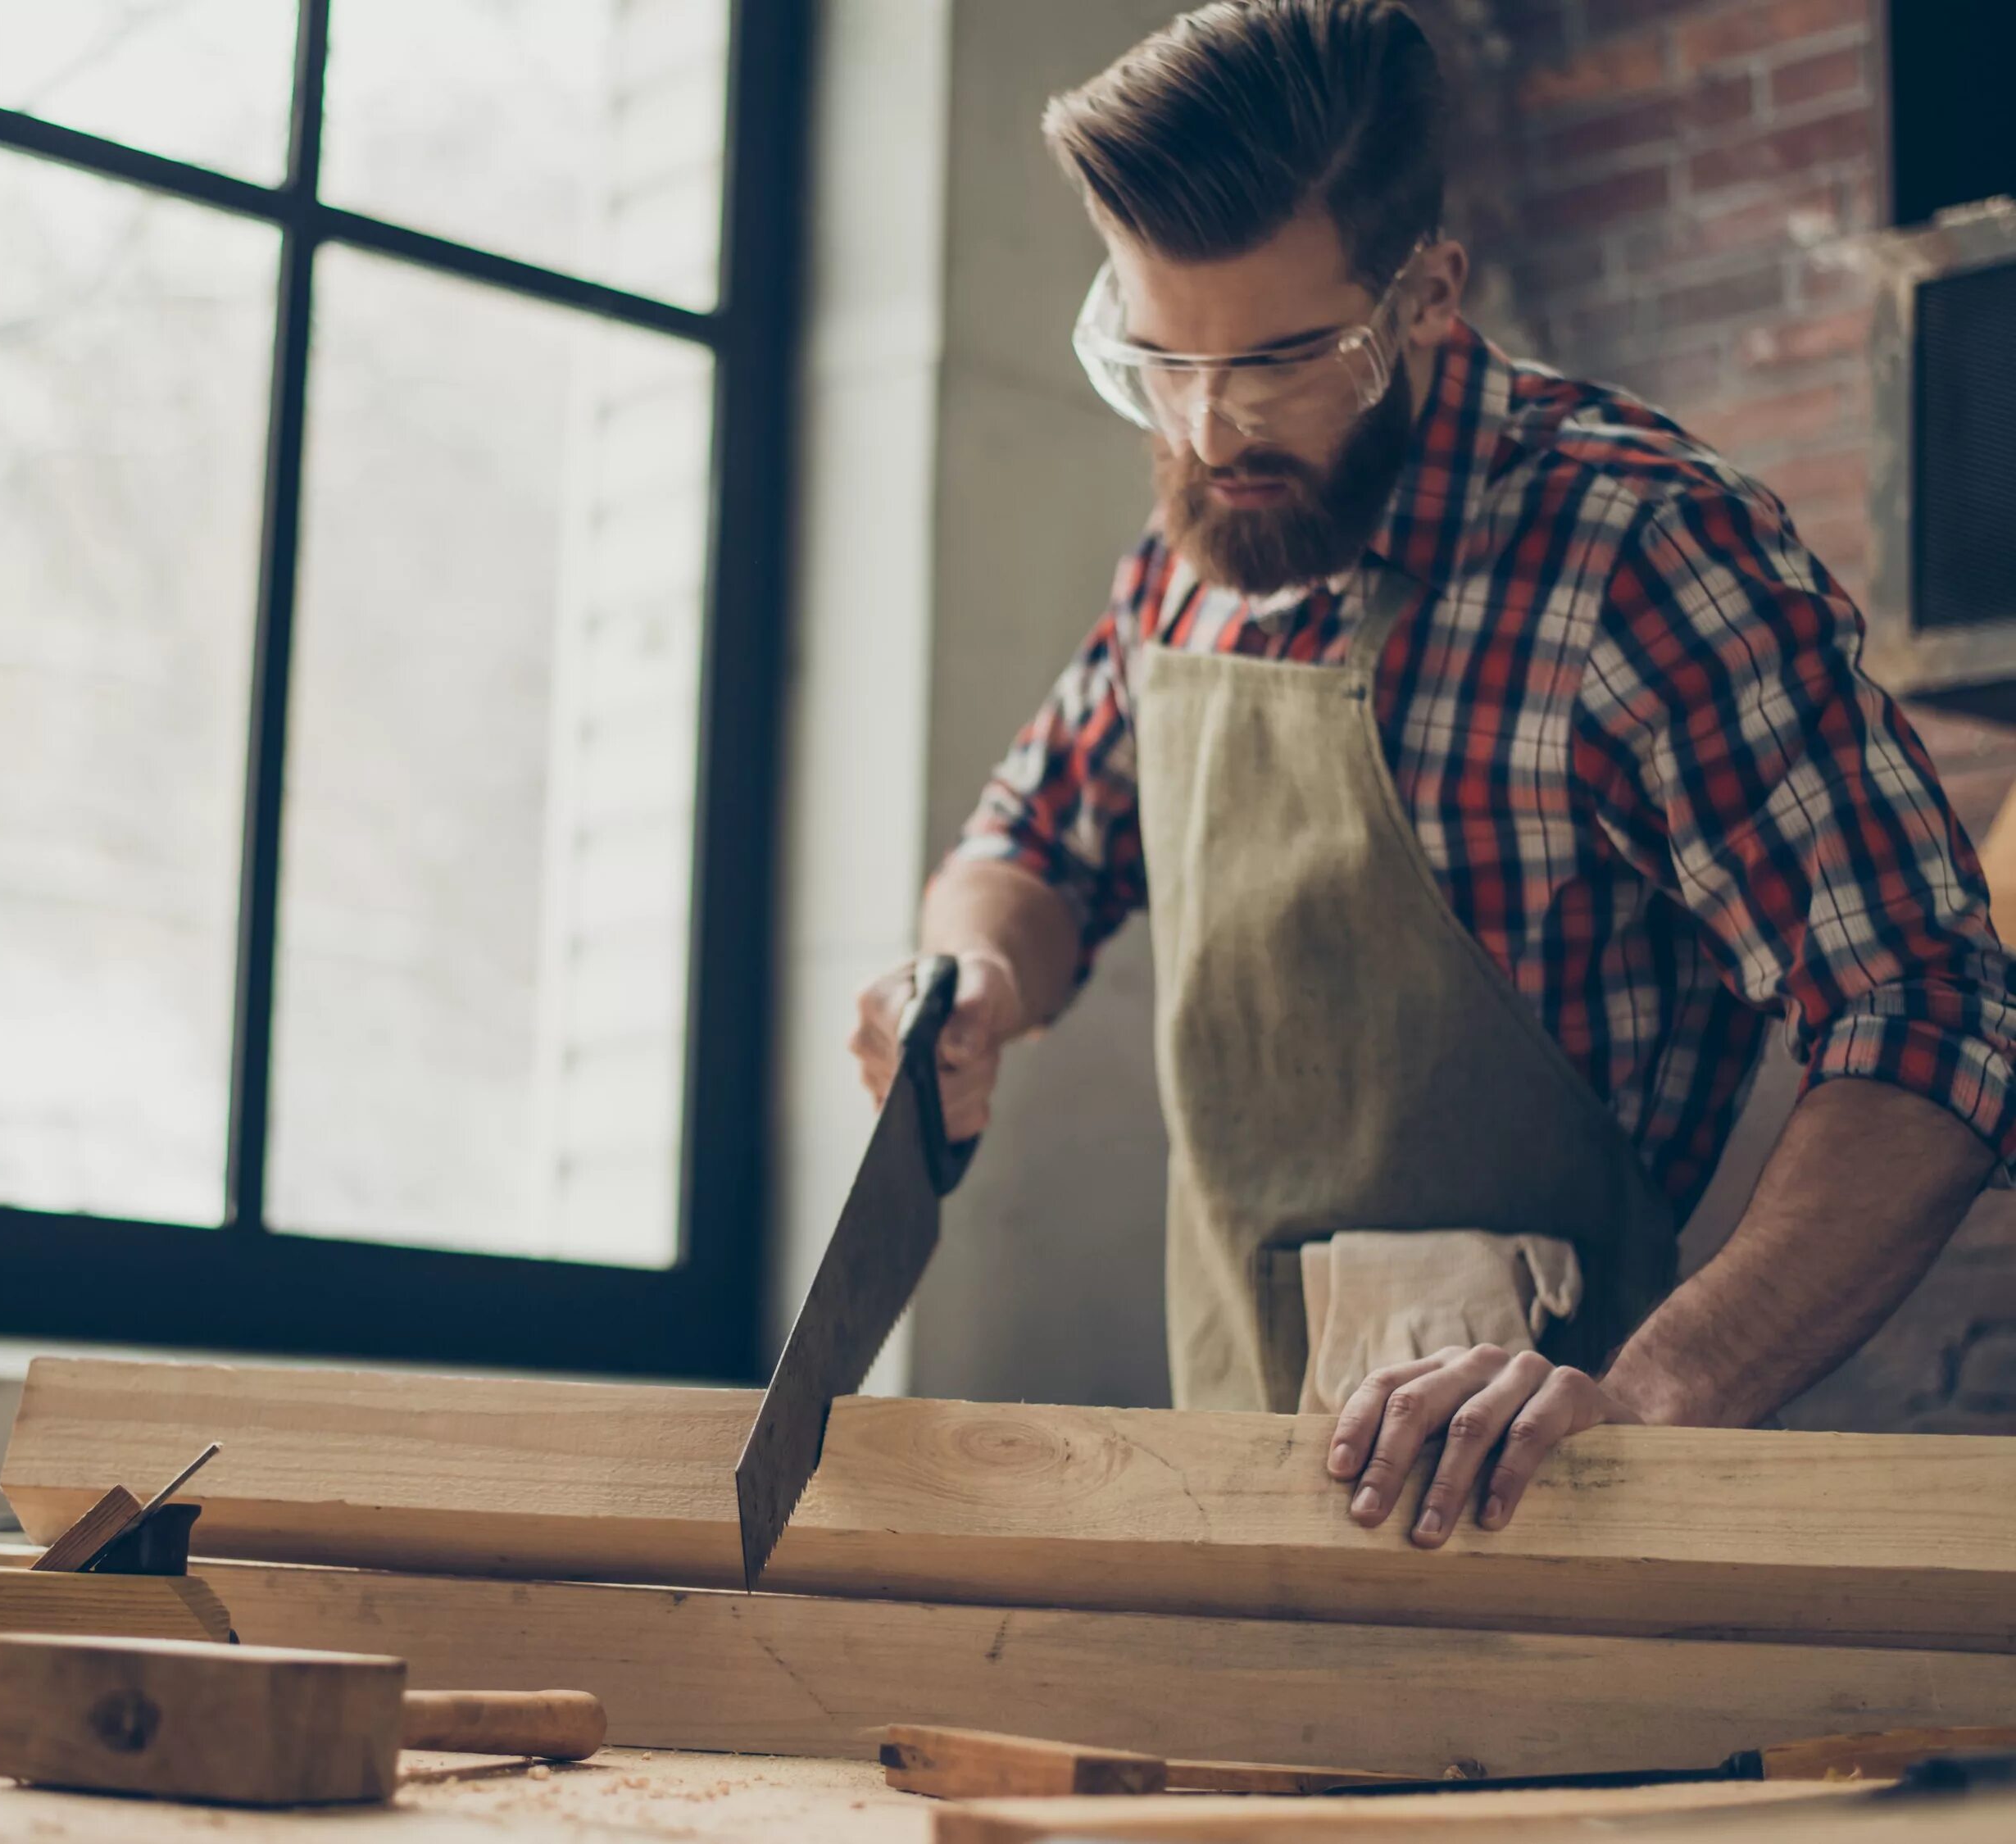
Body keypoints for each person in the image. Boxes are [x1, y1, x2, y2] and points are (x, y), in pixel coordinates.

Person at [850, 0, 2014, 1547]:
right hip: (1234, 1527)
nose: (1209, 428)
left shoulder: (1645, 552)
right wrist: (975, 974)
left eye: (1275, 359)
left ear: (1428, 295)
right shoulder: (1195, 560)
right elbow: (1038, 843)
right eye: (1156, 360)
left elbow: (1933, 1010)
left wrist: (1657, 1401)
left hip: (1566, 1539)